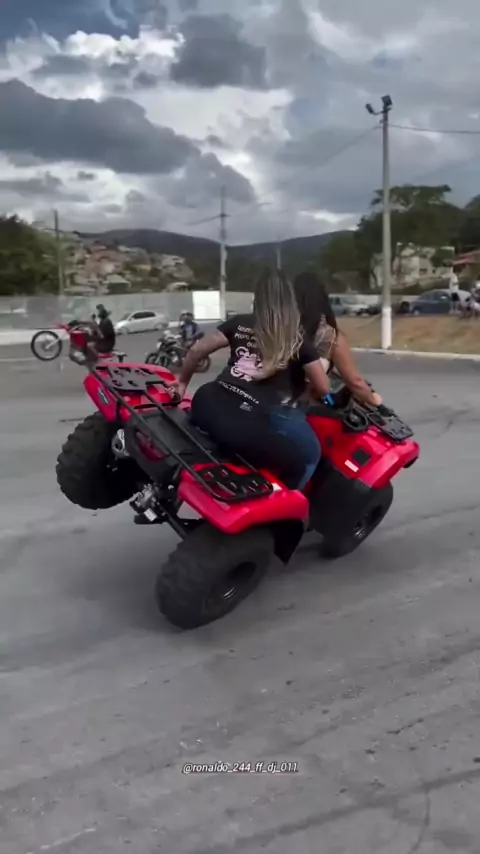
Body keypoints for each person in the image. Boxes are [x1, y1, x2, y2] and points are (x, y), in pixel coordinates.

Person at [174, 270, 331, 490]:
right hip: (243, 422)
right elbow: (323, 387)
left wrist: (182, 383)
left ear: (258, 297)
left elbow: (196, 351)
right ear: (290, 300)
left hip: (206, 400)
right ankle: (279, 506)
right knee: (302, 460)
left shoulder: (239, 322)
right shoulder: (297, 339)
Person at [292, 272, 383, 408]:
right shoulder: (328, 334)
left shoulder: (284, 329)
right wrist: (374, 400)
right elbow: (355, 382)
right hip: (305, 406)